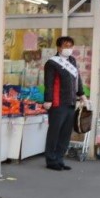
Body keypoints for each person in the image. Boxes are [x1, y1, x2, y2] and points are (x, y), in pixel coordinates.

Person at [43, 35, 86, 170]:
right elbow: (48, 83)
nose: (69, 49)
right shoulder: (52, 63)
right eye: (66, 46)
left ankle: (59, 158)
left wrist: (82, 95)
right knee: (54, 132)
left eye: (70, 46)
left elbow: (77, 79)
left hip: (71, 102)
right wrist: (48, 99)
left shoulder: (72, 61)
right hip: (57, 102)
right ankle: (51, 160)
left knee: (66, 133)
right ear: (59, 47)